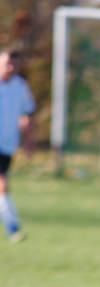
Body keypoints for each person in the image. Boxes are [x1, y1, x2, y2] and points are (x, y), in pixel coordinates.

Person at [0, 48, 34, 243]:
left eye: (14, 63)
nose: (10, 67)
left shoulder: (20, 87)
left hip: (6, 144)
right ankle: (13, 228)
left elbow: (27, 114)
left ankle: (13, 227)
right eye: (6, 63)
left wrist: (28, 141)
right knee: (2, 184)